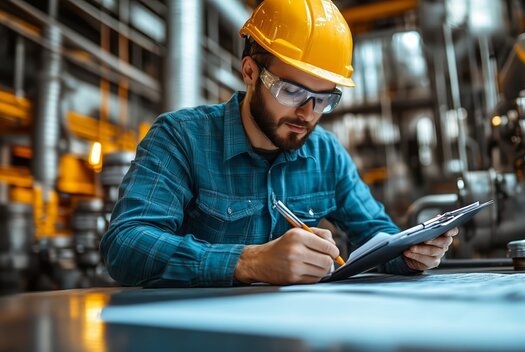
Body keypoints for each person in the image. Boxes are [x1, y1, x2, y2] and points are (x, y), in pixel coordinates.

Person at [100, 0, 457, 287]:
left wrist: (410, 253)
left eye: (323, 99)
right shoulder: (181, 138)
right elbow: (125, 245)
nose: (307, 112)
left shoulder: (326, 153)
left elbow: (376, 237)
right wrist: (250, 261)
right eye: (291, 91)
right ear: (250, 73)